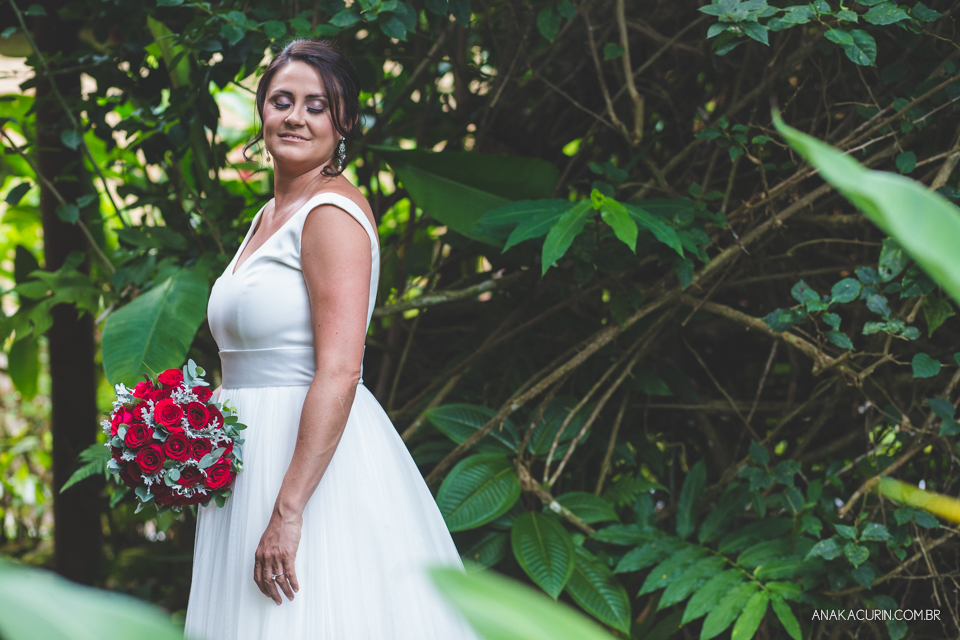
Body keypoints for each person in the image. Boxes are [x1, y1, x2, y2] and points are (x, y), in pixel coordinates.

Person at [183, 38, 481, 640]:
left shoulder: (328, 214)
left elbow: (341, 369)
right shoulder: (269, 215)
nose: (295, 116)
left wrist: (289, 511)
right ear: (262, 110)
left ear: (344, 122)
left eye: (316, 106)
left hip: (302, 463)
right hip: (245, 459)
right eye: (282, 100)